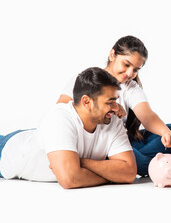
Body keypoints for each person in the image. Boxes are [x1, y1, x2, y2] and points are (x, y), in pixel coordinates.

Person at [57, 36, 171, 175]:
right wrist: (107, 107)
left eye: (135, 70)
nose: (129, 73)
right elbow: (61, 110)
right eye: (126, 65)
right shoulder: (88, 80)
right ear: (112, 54)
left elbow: (147, 115)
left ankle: (165, 159)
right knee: (138, 163)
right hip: (100, 145)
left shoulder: (130, 87)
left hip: (122, 141)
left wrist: (165, 133)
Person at [0, 67, 137, 189]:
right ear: (86, 102)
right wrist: (112, 177)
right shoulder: (58, 117)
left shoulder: (111, 120)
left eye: (116, 100)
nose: (116, 108)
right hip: (9, 153)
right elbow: (69, 179)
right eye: (109, 102)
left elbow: (129, 173)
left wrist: (80, 163)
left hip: (37, 137)